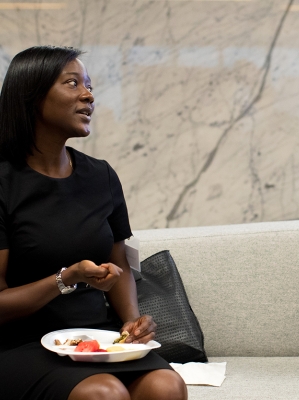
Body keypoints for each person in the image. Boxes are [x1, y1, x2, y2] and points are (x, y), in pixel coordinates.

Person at [0, 46, 187, 400]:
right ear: (31, 96)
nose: (88, 95)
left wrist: (132, 321)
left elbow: (120, 262)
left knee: (167, 386)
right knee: (104, 393)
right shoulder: (4, 183)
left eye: (89, 85)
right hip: (18, 343)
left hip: (94, 335)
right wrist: (65, 278)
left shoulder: (101, 175)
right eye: (72, 84)